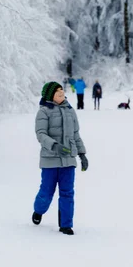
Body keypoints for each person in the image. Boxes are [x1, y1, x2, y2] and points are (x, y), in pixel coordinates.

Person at [32, 82, 88, 235]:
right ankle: (39, 210)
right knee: (46, 192)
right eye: (57, 91)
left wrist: (82, 154)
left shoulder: (70, 111)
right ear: (50, 95)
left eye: (62, 90)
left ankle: (65, 225)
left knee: (67, 192)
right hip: (50, 159)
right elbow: (41, 134)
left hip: (68, 159)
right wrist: (54, 145)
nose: (61, 93)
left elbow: (76, 135)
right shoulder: (43, 112)